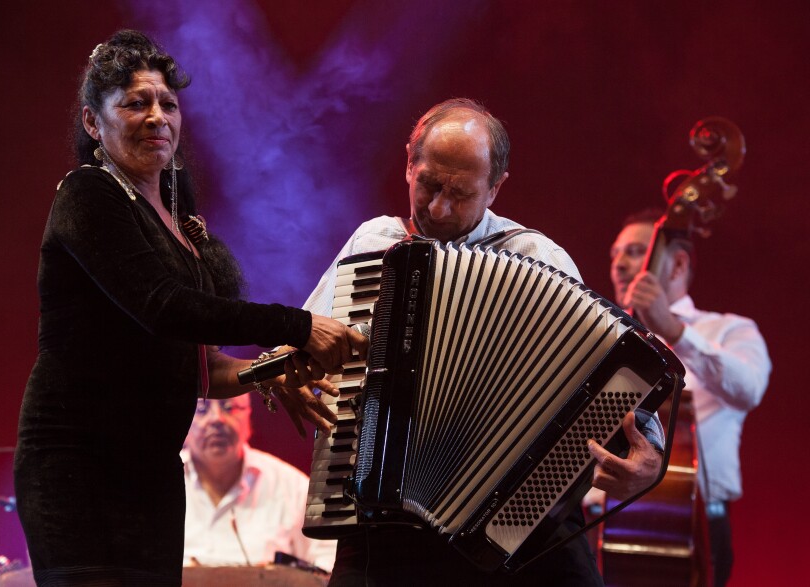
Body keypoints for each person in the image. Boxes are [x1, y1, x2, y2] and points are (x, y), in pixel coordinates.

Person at [13, 30, 365, 586]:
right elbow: (164, 307)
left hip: (151, 472)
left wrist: (268, 371)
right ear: (91, 123)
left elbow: (196, 366)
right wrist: (297, 326)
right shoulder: (87, 194)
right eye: (136, 103)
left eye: (168, 104)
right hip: (79, 467)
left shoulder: (176, 223)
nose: (158, 117)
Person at [300, 98, 665, 586]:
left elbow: (605, 370)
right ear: (409, 163)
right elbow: (306, 339)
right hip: (385, 520)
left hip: (520, 523)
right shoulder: (372, 244)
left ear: (495, 189)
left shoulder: (535, 256)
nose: (437, 207)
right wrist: (297, 366)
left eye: (461, 193)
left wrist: (648, 457)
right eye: (428, 184)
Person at [609, 208, 771, 586]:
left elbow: (749, 387)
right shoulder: (608, 341)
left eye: (634, 252)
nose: (619, 265)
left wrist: (674, 332)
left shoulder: (730, 330)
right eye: (614, 254)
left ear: (678, 264)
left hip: (693, 523)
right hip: (606, 522)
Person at [181, 395, 337, 571]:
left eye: (229, 408)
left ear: (248, 418)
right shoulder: (156, 484)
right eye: (202, 409)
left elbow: (328, 563)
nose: (217, 419)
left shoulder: (294, 488)